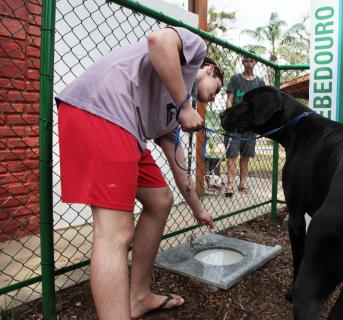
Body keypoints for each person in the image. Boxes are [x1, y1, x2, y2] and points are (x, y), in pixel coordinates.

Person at [55, 26, 223, 320]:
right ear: (209, 70)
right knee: (115, 232)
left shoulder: (172, 112)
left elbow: (178, 163)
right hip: (102, 109)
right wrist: (185, 105)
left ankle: (139, 296)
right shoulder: (194, 50)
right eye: (217, 89)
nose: (211, 98)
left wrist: (198, 209)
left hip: (128, 128)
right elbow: (158, 40)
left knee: (160, 199)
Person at [224, 54, 265, 197]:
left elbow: (261, 104)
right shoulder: (235, 79)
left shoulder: (260, 82)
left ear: (255, 63)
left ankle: (242, 184)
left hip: (250, 126)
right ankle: (229, 185)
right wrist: (231, 116)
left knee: (245, 157)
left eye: (251, 61)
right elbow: (230, 99)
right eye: (246, 60)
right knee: (232, 156)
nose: (248, 63)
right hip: (236, 125)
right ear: (243, 62)